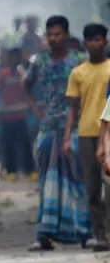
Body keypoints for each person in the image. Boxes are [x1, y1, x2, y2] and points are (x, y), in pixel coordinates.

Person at [30, 16, 89, 250]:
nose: (53, 38)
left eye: (58, 34)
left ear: (66, 34)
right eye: (50, 34)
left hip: (76, 126)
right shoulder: (40, 61)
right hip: (49, 127)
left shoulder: (79, 61)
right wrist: (37, 110)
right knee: (47, 179)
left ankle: (83, 231)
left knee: (78, 179)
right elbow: (28, 84)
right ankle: (45, 232)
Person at [66, 23, 110, 250]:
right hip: (85, 133)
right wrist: (66, 137)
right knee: (92, 188)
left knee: (109, 185)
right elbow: (73, 107)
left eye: (98, 39)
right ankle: (100, 236)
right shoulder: (78, 72)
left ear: (105, 42)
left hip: (109, 134)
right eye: (90, 40)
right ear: (85, 44)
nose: (94, 44)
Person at [0, 49, 35, 180]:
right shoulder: (2, 74)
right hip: (7, 116)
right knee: (8, 145)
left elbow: (27, 91)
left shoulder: (22, 73)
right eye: (12, 57)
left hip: (21, 116)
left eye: (17, 57)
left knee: (25, 144)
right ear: (8, 58)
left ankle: (30, 171)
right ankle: (11, 172)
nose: (15, 60)